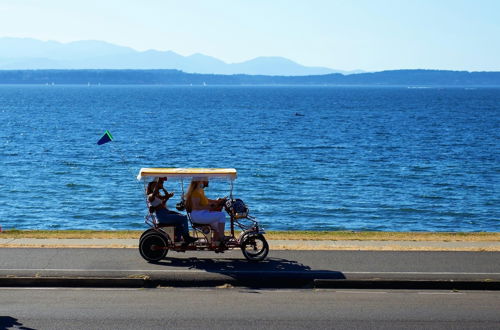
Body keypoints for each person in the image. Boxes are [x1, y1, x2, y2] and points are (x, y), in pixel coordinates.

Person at [147, 178, 197, 245]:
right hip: (162, 216)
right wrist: (159, 180)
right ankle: (186, 237)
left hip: (165, 214)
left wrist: (167, 196)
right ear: (150, 187)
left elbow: (163, 204)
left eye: (155, 185)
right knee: (184, 218)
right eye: (153, 186)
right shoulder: (150, 196)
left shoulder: (158, 196)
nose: (155, 186)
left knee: (179, 223)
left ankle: (177, 240)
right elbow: (155, 192)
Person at [185, 179, 227, 246]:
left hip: (201, 214)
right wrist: (210, 207)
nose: (207, 181)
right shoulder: (195, 192)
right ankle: (222, 237)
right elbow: (196, 207)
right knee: (222, 215)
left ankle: (215, 244)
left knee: (217, 225)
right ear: (199, 181)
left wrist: (217, 202)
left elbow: (207, 200)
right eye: (205, 180)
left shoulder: (200, 191)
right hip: (198, 215)